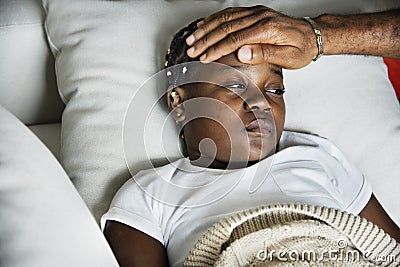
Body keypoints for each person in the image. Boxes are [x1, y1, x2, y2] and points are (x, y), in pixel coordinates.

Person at [102, 7, 400, 267]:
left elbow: (389, 249)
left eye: (275, 90)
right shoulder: (151, 194)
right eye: (235, 86)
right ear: (179, 102)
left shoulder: (318, 156)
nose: (261, 103)